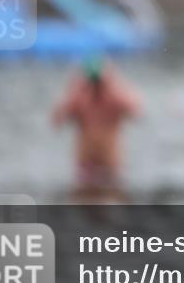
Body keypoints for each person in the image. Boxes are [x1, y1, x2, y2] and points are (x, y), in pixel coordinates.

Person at [51, 56, 141, 201]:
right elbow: (57, 120)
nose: (96, 86)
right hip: (86, 165)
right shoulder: (80, 99)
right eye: (93, 82)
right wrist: (73, 91)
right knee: (84, 201)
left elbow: (136, 112)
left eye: (98, 81)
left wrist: (114, 88)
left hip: (110, 164)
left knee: (112, 199)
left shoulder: (114, 98)